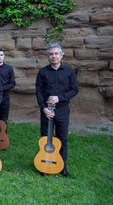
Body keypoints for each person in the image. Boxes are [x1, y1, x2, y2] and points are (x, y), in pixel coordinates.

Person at [35, 42, 78, 177]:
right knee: (45, 138)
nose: (53, 56)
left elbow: (74, 90)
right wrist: (43, 108)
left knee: (62, 139)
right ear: (48, 56)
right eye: (51, 54)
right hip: (47, 110)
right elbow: (38, 91)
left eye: (56, 54)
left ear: (61, 55)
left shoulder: (69, 71)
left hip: (62, 110)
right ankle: (44, 164)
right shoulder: (42, 72)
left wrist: (60, 98)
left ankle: (62, 166)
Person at [0, 48, 15, 125]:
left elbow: (12, 83)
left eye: (1, 55)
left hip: (5, 97)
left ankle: (3, 136)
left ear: (4, 56)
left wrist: (1, 89)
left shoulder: (9, 68)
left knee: (4, 119)